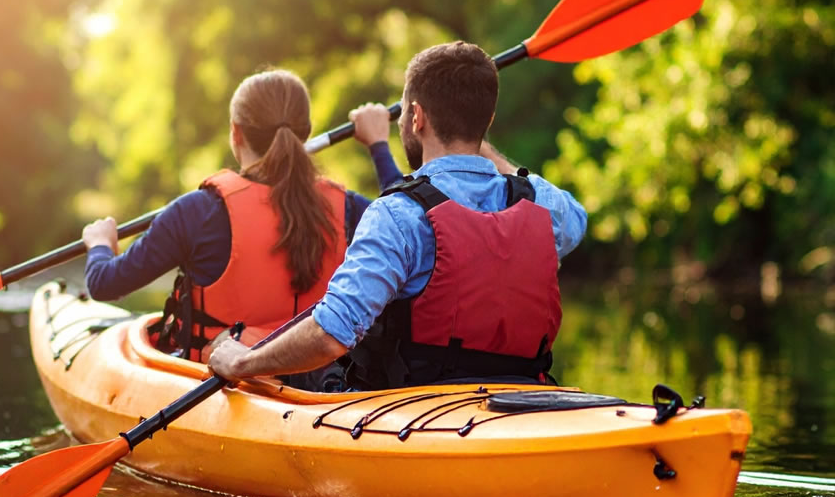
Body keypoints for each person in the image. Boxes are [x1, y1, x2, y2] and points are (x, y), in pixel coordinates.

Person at [208, 41, 588, 389]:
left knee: (318, 369)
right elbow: (577, 221)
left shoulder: (398, 214)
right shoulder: (538, 203)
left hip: (411, 412)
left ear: (417, 117)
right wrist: (474, 134)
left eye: (406, 112)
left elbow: (330, 335)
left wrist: (244, 363)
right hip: (519, 399)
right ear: (487, 122)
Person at [80, 68, 403, 361]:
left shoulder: (198, 211)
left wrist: (99, 245)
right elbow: (407, 223)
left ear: (236, 133)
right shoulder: (349, 208)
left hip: (229, 378)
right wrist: (378, 145)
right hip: (323, 383)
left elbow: (105, 284)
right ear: (305, 131)